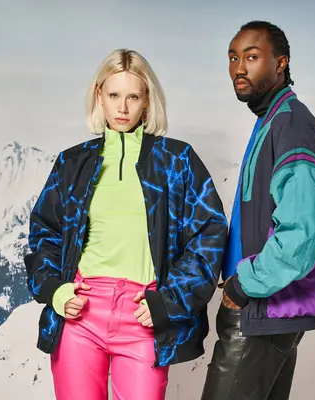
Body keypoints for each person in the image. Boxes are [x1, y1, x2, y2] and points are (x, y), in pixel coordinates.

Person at [24, 48, 227, 400]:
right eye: (114, 95)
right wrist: (56, 290)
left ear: (147, 101)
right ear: (98, 96)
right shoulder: (72, 163)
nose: (122, 107)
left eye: (132, 96)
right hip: (81, 314)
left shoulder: (176, 161)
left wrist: (167, 301)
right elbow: (45, 233)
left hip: (142, 313)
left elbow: (209, 235)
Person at [200, 21, 315, 400]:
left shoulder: (290, 125)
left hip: (262, 312)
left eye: (253, 57)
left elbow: (310, 225)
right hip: (267, 311)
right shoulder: (274, 120)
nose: (239, 68)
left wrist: (244, 284)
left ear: (281, 63)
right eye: (233, 57)